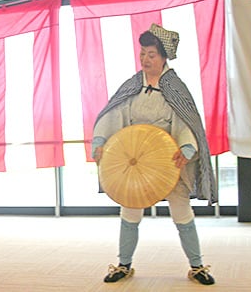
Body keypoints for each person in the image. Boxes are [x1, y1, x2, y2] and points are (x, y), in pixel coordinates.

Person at [92, 24, 217, 285]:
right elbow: (114, 114)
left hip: (168, 163)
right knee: (130, 212)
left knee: (181, 211)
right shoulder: (133, 86)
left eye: (151, 54)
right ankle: (123, 265)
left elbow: (187, 123)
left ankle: (197, 266)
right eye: (143, 54)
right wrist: (101, 140)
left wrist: (187, 148)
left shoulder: (176, 88)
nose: (145, 59)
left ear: (163, 57)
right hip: (135, 162)